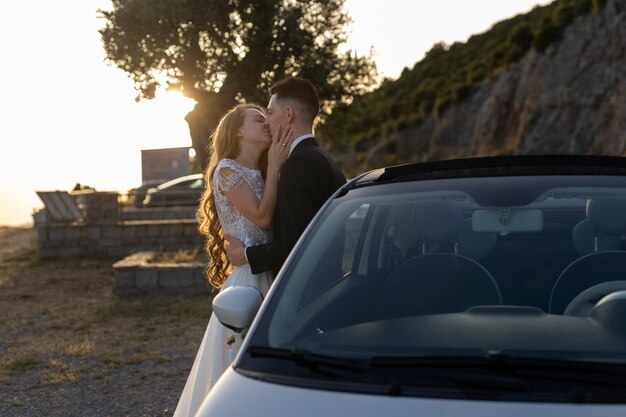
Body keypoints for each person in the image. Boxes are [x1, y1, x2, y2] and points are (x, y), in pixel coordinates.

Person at [173, 103, 294, 417]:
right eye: (258, 119)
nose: (267, 123)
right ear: (238, 130)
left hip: (272, 272)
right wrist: (278, 165)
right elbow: (263, 218)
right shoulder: (228, 169)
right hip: (248, 280)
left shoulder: (261, 171)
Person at [225, 77, 347, 275]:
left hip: (307, 285)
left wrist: (245, 255)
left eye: (270, 113)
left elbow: (294, 245)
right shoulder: (323, 158)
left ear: (288, 114)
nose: (267, 121)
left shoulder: (298, 165)